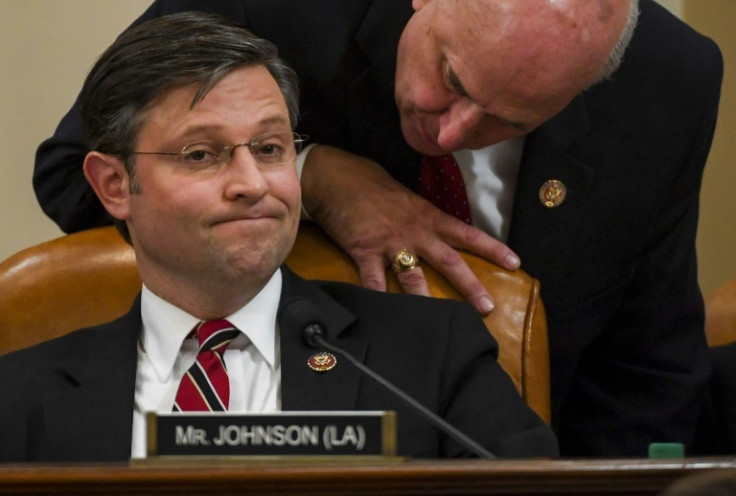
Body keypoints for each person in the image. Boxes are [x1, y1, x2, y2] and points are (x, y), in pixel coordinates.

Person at [32, 0, 723, 456]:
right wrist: (312, 172)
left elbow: (645, 366)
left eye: (508, 121)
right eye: (448, 73)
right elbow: (73, 170)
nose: (449, 129)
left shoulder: (669, 80)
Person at [0, 12, 557, 463]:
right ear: (115, 184)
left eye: (270, 149)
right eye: (201, 155)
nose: (251, 184)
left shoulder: (432, 357)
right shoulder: (18, 397)